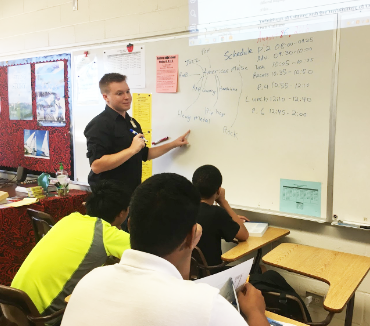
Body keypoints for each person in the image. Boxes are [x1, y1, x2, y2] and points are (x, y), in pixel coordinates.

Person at [61, 173, 269, 326]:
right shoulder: (207, 306)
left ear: (130, 226)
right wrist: (255, 313)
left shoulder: (88, 281)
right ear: (191, 236)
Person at [11, 180, 131, 320]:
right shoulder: (108, 234)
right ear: (122, 213)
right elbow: (150, 255)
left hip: (13, 304)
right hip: (42, 316)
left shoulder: (70, 218)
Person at [84, 72, 189, 194]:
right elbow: (97, 166)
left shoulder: (131, 122)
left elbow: (145, 154)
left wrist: (174, 144)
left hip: (131, 192)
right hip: (109, 196)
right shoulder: (99, 124)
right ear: (105, 97)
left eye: (127, 91)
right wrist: (131, 149)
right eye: (119, 93)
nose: (127, 97)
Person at [192, 165, 249, 268]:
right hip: (214, 274)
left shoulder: (185, 209)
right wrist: (223, 201)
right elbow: (244, 235)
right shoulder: (217, 213)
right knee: (261, 269)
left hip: (189, 275)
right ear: (218, 191)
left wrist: (231, 219)